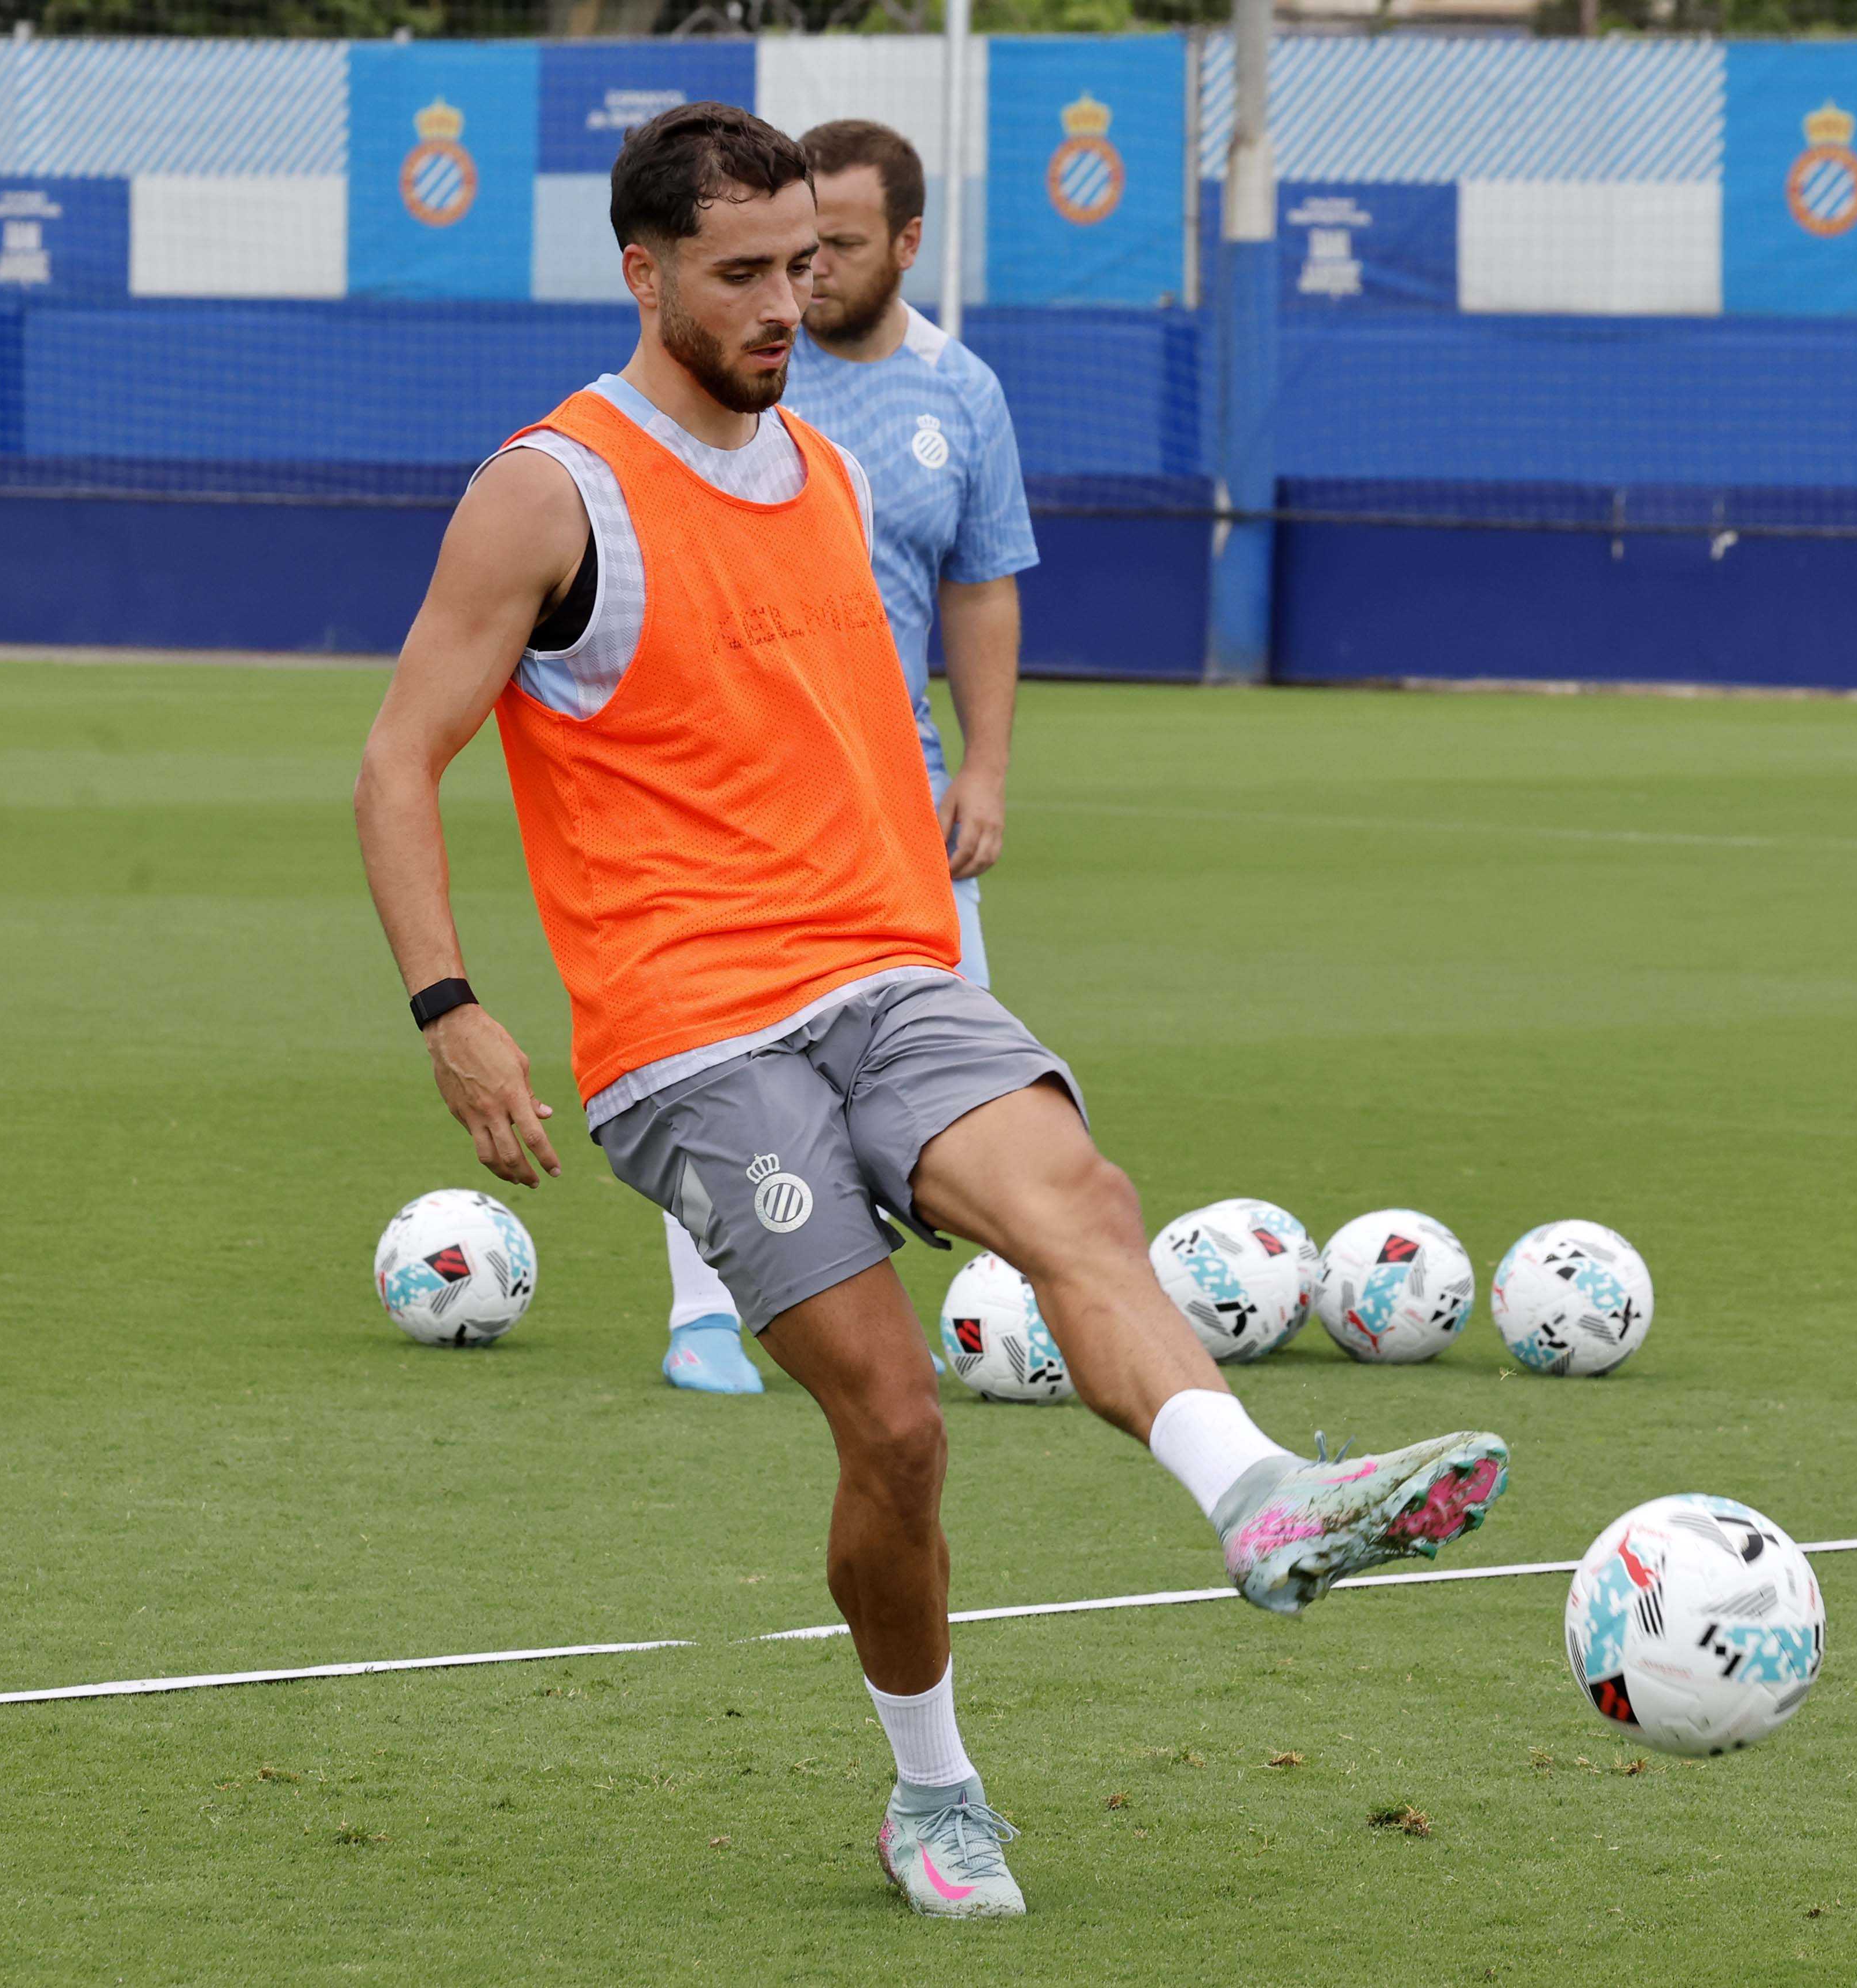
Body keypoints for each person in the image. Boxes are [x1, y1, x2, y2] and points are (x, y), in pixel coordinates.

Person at [353, 103, 1508, 1922]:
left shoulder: (821, 468)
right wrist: (450, 1008)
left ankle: (1262, 1499)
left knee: (1082, 1204)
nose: (781, 305)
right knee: (896, 1425)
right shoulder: (549, 492)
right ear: (641, 272)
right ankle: (933, 1790)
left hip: (889, 977)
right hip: (692, 1037)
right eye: (739, 274)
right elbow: (396, 761)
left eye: (802, 265)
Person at [655, 116, 1033, 1397]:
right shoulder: (744, 368)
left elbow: (982, 585)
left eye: (836, 250)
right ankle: (706, 1316)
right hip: (741, 783)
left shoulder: (961, 392)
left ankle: (879, 1312)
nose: (804, 280)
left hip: (900, 789)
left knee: (937, 1064)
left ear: (907, 244)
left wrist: (984, 768)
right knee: (724, 1040)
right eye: (786, 254)